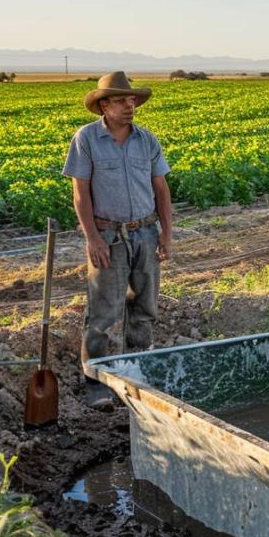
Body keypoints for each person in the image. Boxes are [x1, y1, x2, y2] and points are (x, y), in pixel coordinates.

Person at [63, 71, 172, 410]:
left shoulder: (147, 140)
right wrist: (93, 239)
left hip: (145, 232)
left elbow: (161, 189)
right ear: (104, 106)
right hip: (108, 236)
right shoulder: (87, 139)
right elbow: (80, 194)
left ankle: (134, 375)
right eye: (123, 101)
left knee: (145, 309)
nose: (131, 106)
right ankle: (95, 383)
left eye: (133, 101)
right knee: (103, 313)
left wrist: (166, 234)